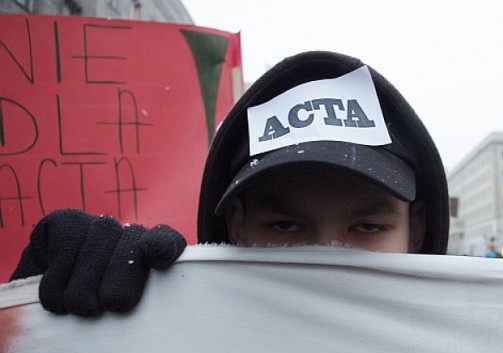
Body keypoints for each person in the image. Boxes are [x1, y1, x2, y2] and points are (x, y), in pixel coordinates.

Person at [9, 50, 450, 315]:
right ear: (236, 225)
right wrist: (31, 326)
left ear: (417, 230)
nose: (327, 259)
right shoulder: (157, 347)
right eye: (284, 227)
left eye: (368, 228)